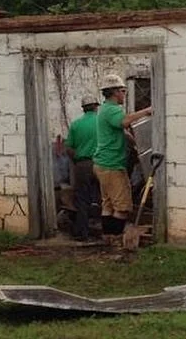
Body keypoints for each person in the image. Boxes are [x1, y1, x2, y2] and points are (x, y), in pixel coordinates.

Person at [93, 72, 152, 240]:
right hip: (111, 165)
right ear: (114, 92)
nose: (125, 94)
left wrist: (134, 142)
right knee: (123, 206)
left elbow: (121, 130)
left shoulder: (105, 109)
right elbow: (124, 122)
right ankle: (116, 238)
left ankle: (107, 238)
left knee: (108, 204)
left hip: (102, 164)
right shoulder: (112, 110)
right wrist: (146, 111)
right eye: (123, 91)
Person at [64, 94, 99, 242]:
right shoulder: (101, 122)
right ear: (96, 107)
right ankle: (104, 231)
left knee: (82, 199)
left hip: (82, 165)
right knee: (103, 198)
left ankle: (83, 233)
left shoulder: (76, 124)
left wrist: (77, 162)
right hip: (101, 164)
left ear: (83, 109)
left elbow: (69, 148)